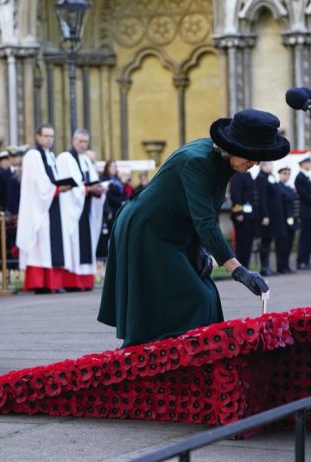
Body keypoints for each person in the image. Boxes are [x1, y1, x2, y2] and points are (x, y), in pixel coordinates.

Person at [98, 109, 290, 347]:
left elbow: (200, 211)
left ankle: (192, 363)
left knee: (207, 296)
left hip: (176, 231)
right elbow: (205, 220)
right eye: (252, 155)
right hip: (148, 230)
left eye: (260, 157)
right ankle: (144, 363)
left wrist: (201, 249)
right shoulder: (199, 160)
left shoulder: (225, 163)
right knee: (190, 301)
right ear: (234, 147)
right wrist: (238, 271)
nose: (255, 163)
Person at [16, 124, 75, 293]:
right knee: (41, 246)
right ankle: (41, 284)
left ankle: (53, 284)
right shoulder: (33, 155)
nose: (49, 139)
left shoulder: (50, 156)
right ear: (38, 137)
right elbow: (37, 182)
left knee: (51, 245)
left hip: (52, 203)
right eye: (46, 136)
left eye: (52, 136)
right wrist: (56, 189)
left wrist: (61, 186)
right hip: (39, 208)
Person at [56, 128, 106, 290]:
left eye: (86, 142)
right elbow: (70, 185)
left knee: (85, 243)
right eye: (80, 141)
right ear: (73, 140)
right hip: (72, 208)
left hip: (86, 207)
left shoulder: (85, 160)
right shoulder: (65, 158)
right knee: (74, 244)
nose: (83, 145)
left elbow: (92, 181)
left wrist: (99, 189)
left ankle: (85, 281)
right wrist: (88, 189)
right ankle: (72, 282)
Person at [256, 161, 286, 276]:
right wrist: (264, 215)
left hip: (274, 216)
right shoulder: (261, 178)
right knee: (265, 242)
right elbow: (262, 199)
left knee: (269, 242)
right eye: (269, 165)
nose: (272, 166)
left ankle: (268, 266)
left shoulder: (270, 177)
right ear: (263, 166)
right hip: (267, 216)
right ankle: (264, 267)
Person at [229, 165, 260, 268]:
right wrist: (238, 213)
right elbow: (236, 195)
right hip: (241, 215)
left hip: (250, 214)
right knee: (242, 242)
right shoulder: (237, 175)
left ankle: (245, 265)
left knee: (248, 242)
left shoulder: (247, 174)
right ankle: (240, 266)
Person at [294, 154, 311, 270]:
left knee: (309, 237)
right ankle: (301, 261)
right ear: (303, 164)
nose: (310, 164)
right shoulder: (299, 178)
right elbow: (304, 195)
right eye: (308, 162)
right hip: (306, 212)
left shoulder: (305, 177)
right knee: (304, 237)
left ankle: (306, 260)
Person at [276, 166, 299, 274]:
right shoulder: (278, 187)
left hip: (291, 219)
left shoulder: (290, 188)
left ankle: (286, 265)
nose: (287, 176)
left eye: (288, 174)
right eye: (285, 173)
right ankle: (281, 266)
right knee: (282, 245)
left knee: (289, 243)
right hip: (282, 220)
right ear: (280, 174)